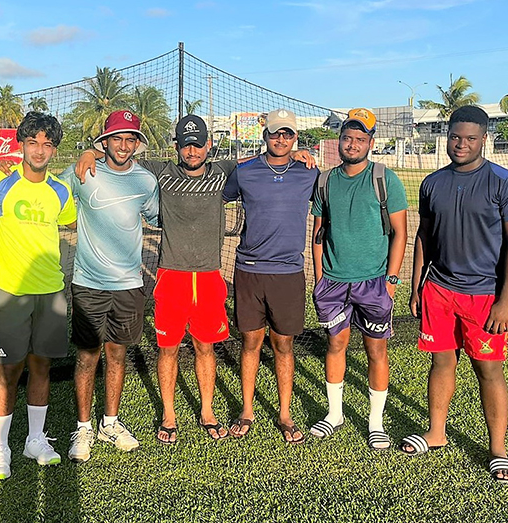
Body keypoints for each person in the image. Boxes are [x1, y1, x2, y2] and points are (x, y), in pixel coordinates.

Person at [75, 114, 315, 443]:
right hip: (171, 275)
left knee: (205, 347)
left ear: (209, 145)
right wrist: (92, 153)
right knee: (168, 349)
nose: (192, 151)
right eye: (186, 145)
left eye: (198, 144)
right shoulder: (161, 173)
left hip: (208, 276)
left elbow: (262, 159)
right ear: (177, 146)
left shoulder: (223, 173)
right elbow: (122, 154)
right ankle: (169, 416)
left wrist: (297, 154)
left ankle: (207, 412)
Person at [398, 106, 508, 484]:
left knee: (488, 370)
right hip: (438, 290)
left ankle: (498, 450)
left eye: (470, 138)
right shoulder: (432, 182)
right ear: (448, 136)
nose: (461, 144)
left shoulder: (504, 182)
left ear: (483, 139)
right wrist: (417, 285)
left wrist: (506, 300)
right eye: (455, 137)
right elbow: (425, 235)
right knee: (440, 364)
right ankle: (436, 433)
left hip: (485, 295)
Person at [60, 110, 159, 463]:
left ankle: (110, 423)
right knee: (88, 357)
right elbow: (49, 189)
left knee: (118, 355)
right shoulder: (84, 171)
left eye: (130, 139)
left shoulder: (146, 181)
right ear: (104, 142)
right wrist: (85, 154)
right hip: (88, 282)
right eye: (116, 138)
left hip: (129, 284)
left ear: (137, 144)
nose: (123, 145)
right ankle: (83, 427)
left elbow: (157, 216)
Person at [309, 108, 408, 450]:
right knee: (336, 344)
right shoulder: (324, 181)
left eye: (360, 138)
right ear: (339, 141)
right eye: (347, 138)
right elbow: (319, 233)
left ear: (371, 142)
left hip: (374, 281)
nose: (352, 144)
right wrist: (320, 278)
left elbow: (400, 232)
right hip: (335, 283)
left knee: (375, 350)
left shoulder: (384, 179)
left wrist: (391, 280)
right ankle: (334, 414)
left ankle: (375, 422)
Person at [0, 112, 77, 479]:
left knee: (42, 366)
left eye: (47, 144)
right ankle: (0, 448)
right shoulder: (0, 185)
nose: (40, 150)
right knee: (8, 371)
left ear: (54, 149)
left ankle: (35, 439)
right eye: (33, 142)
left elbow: (70, 220)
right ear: (21, 144)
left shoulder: (60, 190)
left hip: (51, 291)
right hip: (10, 292)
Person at [222, 109, 319, 443]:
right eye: (276, 134)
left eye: (288, 134)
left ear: (295, 138)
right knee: (250, 341)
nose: (281, 140)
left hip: (288, 273)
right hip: (249, 270)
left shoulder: (309, 172)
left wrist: (306, 157)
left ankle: (285, 414)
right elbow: (216, 194)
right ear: (265, 135)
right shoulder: (245, 171)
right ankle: (247, 411)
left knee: (284, 344)